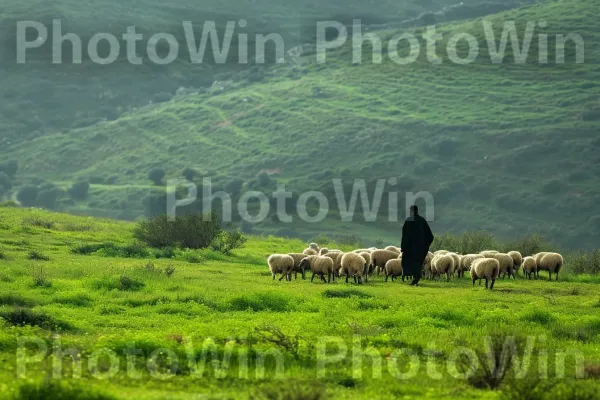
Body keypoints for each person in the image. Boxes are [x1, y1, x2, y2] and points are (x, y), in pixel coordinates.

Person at [400, 205, 434, 286]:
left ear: (411, 211)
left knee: (409, 262)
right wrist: (425, 246)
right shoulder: (422, 220)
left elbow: (406, 235)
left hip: (410, 249)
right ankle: (416, 277)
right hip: (420, 249)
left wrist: (403, 246)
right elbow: (430, 236)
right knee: (418, 263)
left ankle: (416, 277)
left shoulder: (409, 220)